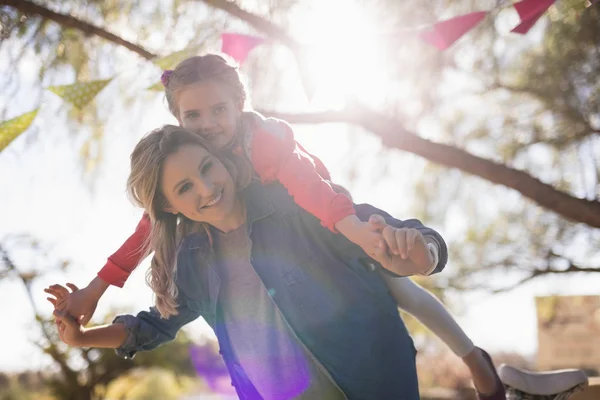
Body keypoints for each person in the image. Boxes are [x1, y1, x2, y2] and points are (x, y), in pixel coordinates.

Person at [51, 54, 504, 399]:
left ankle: (472, 357)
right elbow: (151, 309)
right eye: (193, 117)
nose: (208, 126)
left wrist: (372, 236)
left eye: (218, 112)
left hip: (328, 216)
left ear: (240, 105)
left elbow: (325, 198)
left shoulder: (272, 160)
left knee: (395, 282)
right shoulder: (191, 250)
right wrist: (89, 308)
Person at [48, 125, 448, 399]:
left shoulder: (297, 206)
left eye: (207, 167)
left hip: (371, 386)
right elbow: (152, 326)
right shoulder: (192, 264)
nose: (207, 187)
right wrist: (83, 338)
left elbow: (390, 233)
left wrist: (420, 253)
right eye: (186, 187)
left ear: (221, 160)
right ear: (168, 207)